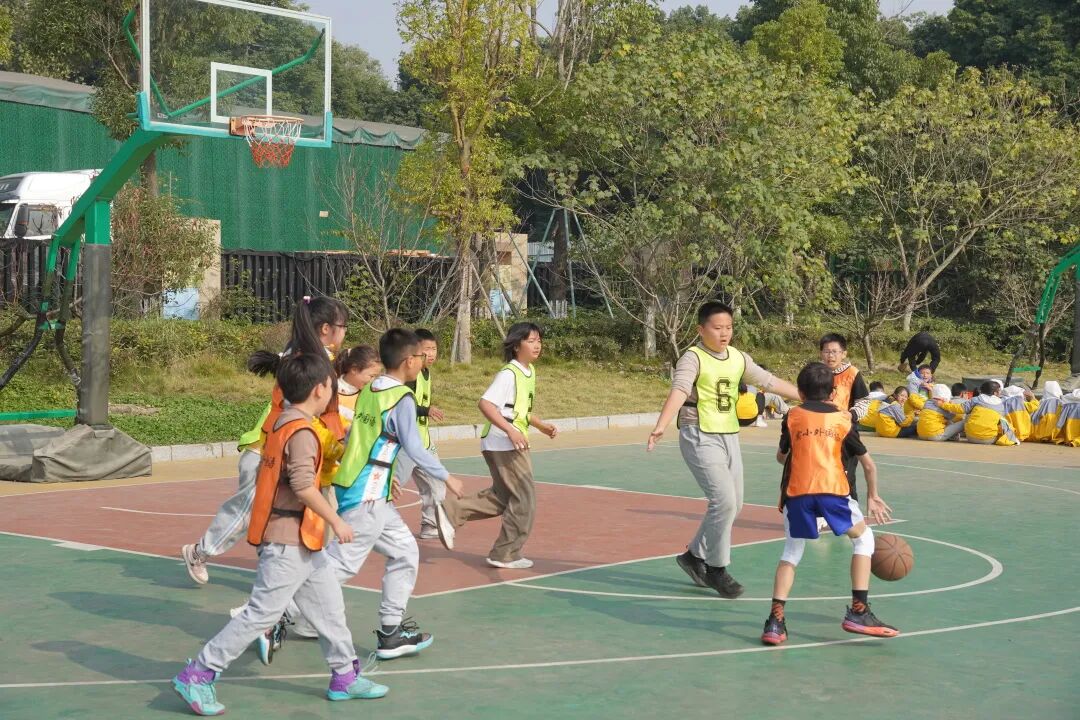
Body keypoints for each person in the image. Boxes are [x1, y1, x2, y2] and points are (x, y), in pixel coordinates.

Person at [172, 353, 387, 717]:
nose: (334, 390)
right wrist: (336, 521)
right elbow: (303, 485)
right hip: (288, 540)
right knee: (262, 614)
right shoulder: (301, 432)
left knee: (330, 609)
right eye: (331, 385)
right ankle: (199, 673)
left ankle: (344, 676)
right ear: (320, 389)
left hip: (304, 539)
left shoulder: (283, 422)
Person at [276, 329, 466, 661]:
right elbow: (414, 447)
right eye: (421, 355)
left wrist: (387, 476)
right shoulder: (401, 397)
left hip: (366, 485)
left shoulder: (373, 388)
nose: (424, 360)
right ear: (409, 361)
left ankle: (390, 632)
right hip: (367, 491)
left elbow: (364, 437)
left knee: (405, 552)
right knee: (340, 565)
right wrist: (447, 477)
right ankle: (275, 614)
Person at [181, 296, 349, 586]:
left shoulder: (316, 358)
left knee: (309, 515)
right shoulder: (304, 362)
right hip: (268, 451)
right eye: (344, 326)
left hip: (295, 451)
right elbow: (300, 412)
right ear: (326, 329)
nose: (345, 332)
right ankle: (201, 552)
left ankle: (295, 580)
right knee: (249, 511)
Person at [647, 302, 799, 598]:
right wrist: (661, 425)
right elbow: (680, 389)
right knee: (724, 501)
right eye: (717, 328)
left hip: (728, 434)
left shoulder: (738, 358)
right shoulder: (693, 357)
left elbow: (768, 381)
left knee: (734, 503)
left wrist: (808, 395)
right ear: (701, 330)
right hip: (698, 432)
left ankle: (694, 556)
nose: (724, 333)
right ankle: (717, 569)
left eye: (728, 327)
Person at [760, 361, 898, 646]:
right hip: (832, 492)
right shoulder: (843, 420)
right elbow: (868, 465)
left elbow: (781, 457)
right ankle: (859, 611)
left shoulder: (792, 416)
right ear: (833, 392)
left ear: (800, 392)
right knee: (864, 539)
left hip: (797, 493)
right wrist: (872, 496)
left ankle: (775, 621)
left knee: (791, 552)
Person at [435, 322, 558, 569]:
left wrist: (540, 425)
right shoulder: (509, 374)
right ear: (516, 346)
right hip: (505, 443)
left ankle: (453, 510)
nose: (537, 345)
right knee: (524, 499)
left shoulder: (528, 372)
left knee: (503, 498)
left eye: (539, 340)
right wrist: (511, 431)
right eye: (531, 341)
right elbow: (486, 404)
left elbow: (517, 410)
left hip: (505, 441)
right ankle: (505, 553)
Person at [397, 328, 447, 540]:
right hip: (406, 444)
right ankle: (367, 522)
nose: (431, 354)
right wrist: (426, 410)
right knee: (392, 485)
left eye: (434, 349)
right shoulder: (410, 376)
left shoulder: (426, 374)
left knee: (437, 484)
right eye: (427, 349)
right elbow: (403, 404)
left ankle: (430, 525)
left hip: (423, 442)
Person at [819, 333, 869, 499]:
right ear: (821, 353)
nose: (830, 356)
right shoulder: (815, 372)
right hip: (819, 434)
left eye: (835, 351)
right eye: (827, 351)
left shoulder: (852, 373)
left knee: (846, 477)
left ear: (844, 353)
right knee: (820, 475)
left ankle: (850, 510)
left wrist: (851, 414)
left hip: (845, 434)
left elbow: (864, 402)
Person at [961, 381, 1019, 446]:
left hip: (970, 437)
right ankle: (1012, 439)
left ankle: (952, 434)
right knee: (1004, 422)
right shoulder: (1000, 404)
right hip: (988, 439)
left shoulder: (976, 399)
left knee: (968, 418)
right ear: (995, 393)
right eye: (999, 390)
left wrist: (950, 405)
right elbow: (1003, 422)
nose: (1000, 392)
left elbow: (961, 409)